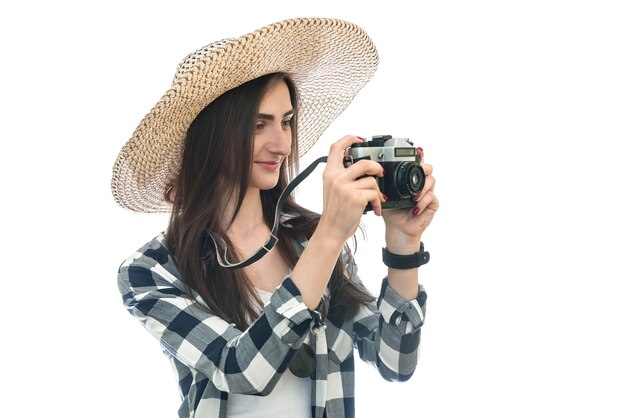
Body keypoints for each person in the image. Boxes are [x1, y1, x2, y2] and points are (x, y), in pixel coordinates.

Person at [112, 18, 438, 418]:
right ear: (212, 135)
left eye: (286, 121)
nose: (283, 144)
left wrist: (403, 245)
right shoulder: (151, 270)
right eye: (258, 124)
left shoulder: (309, 239)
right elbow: (241, 369)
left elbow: (395, 360)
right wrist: (331, 235)